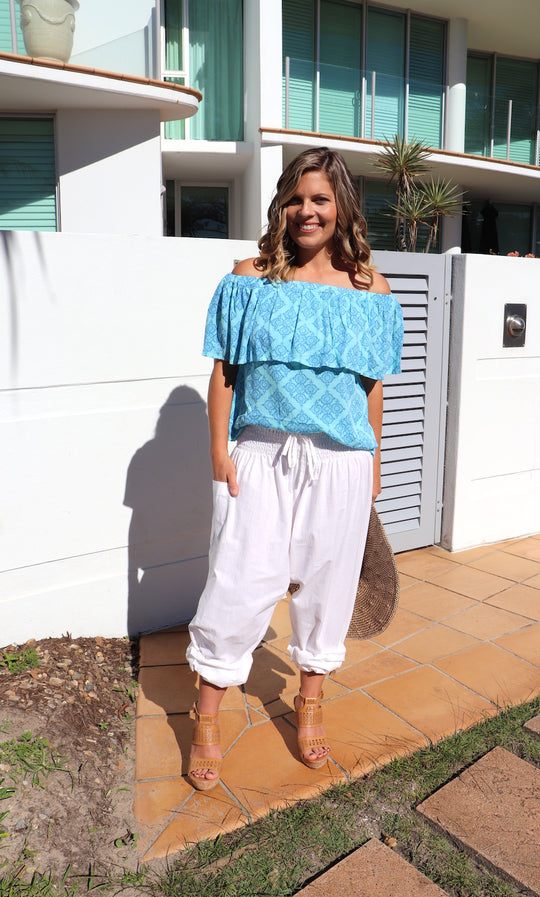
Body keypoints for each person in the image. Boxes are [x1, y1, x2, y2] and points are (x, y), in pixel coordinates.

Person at [186, 147, 404, 790]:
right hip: (260, 453)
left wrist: (373, 461)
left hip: (340, 459)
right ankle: (204, 719)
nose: (306, 211)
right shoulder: (248, 277)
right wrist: (220, 453)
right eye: (296, 198)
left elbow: (371, 387)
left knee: (327, 586)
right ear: (281, 204)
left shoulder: (372, 289)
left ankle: (309, 705)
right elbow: (224, 373)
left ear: (341, 210)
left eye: (320, 200)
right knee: (239, 584)